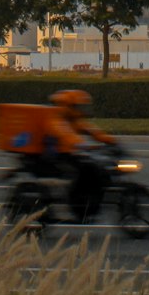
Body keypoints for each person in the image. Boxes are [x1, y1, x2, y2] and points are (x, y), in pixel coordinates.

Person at [43, 89, 118, 221]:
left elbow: (89, 129)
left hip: (69, 152)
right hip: (56, 156)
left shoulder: (72, 119)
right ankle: (77, 204)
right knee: (86, 170)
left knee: (93, 166)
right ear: (68, 106)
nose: (81, 110)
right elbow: (65, 135)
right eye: (78, 106)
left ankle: (87, 202)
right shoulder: (55, 119)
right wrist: (84, 146)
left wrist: (109, 141)